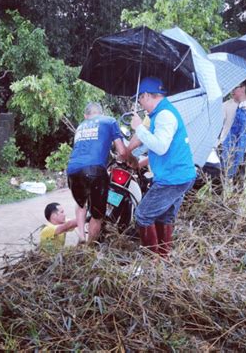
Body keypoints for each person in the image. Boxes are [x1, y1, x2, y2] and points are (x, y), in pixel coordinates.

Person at [129, 77, 196, 257]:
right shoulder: (160, 114)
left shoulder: (165, 115)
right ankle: (163, 259)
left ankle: (153, 263)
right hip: (180, 175)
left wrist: (138, 128)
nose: (141, 104)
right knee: (164, 216)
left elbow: (160, 146)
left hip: (173, 177)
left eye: (140, 99)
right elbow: (160, 149)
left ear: (147, 96)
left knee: (143, 216)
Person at [67, 102, 130, 243]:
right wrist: (127, 157)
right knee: (97, 215)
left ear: (86, 115)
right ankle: (90, 248)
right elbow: (121, 151)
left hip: (72, 170)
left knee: (81, 203)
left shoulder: (81, 126)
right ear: (101, 113)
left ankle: (81, 236)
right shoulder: (110, 121)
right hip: (94, 170)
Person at [218, 80, 246, 179]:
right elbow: (218, 126)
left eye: (235, 87)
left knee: (238, 182)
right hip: (224, 146)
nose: (232, 91)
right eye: (231, 88)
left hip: (243, 149)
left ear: (243, 88)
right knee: (220, 180)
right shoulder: (225, 105)